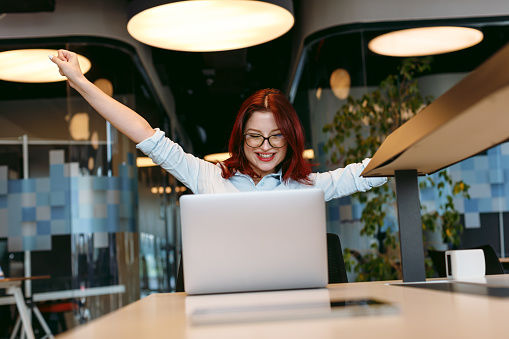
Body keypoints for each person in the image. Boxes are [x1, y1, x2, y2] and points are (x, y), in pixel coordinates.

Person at [49, 50, 386, 200]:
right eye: (254, 137)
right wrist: (79, 80)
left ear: (291, 140)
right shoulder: (207, 177)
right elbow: (144, 134)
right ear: (240, 139)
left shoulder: (309, 187)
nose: (265, 147)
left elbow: (366, 173)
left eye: (276, 137)